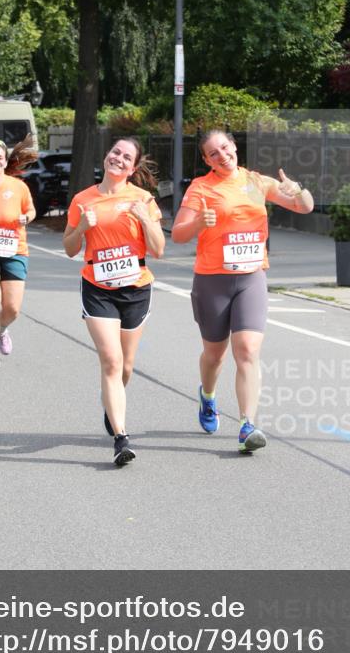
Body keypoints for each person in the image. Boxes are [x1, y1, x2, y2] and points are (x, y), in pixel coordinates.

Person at [171, 129, 314, 453]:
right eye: (214, 153)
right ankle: (208, 396)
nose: (222, 156)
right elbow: (178, 234)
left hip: (251, 277)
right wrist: (198, 224)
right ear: (207, 160)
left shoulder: (256, 182)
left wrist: (297, 189)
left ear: (234, 146)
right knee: (214, 355)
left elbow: (304, 207)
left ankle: (247, 425)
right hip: (212, 280)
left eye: (225, 148)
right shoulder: (201, 187)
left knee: (247, 350)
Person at [63, 138, 165, 467]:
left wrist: (145, 219)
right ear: (106, 156)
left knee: (126, 366)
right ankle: (121, 438)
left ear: (132, 168)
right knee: (111, 360)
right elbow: (69, 248)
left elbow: (159, 249)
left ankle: (112, 401)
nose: (118, 158)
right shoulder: (83, 199)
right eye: (115, 152)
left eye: (126, 157)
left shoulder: (143, 199)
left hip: (136, 288)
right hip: (98, 287)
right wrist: (81, 227)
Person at [0, 137, 37, 368]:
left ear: (5, 161)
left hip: (15, 250)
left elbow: (31, 210)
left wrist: (26, 218)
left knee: (12, 308)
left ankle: (2, 329)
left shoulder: (18, 186)